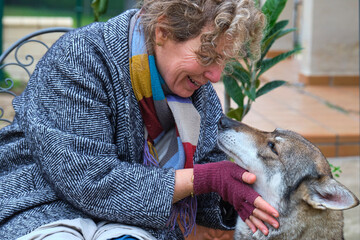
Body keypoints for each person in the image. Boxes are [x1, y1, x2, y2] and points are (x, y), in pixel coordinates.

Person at [0, 0, 279, 239]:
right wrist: (206, 178)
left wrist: (240, 194)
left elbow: (207, 178)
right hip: (41, 204)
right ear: (163, 31)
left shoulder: (195, 91)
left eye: (222, 59)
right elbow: (89, 182)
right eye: (206, 56)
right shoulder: (81, 57)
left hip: (128, 220)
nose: (216, 75)